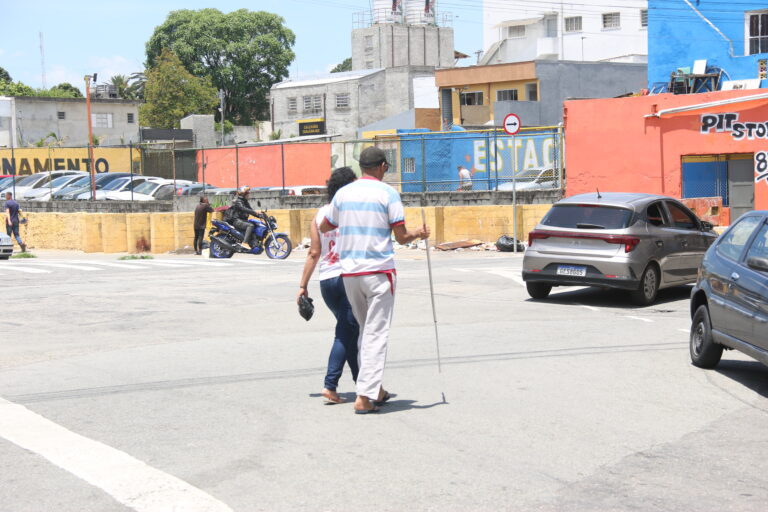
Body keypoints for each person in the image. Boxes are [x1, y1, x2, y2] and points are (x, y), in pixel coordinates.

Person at [320, 147, 430, 414]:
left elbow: (325, 226)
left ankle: (373, 389)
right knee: (376, 334)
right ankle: (365, 397)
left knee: (363, 330)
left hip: (350, 273)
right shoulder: (388, 193)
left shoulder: (344, 193)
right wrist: (419, 232)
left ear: (361, 166)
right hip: (378, 272)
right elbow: (402, 237)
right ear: (381, 166)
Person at [297, 167, 360, 404]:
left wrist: (302, 286)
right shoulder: (350, 211)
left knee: (350, 331)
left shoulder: (320, 214)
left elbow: (314, 253)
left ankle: (365, 385)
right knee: (345, 333)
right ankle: (330, 385)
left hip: (327, 282)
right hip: (347, 278)